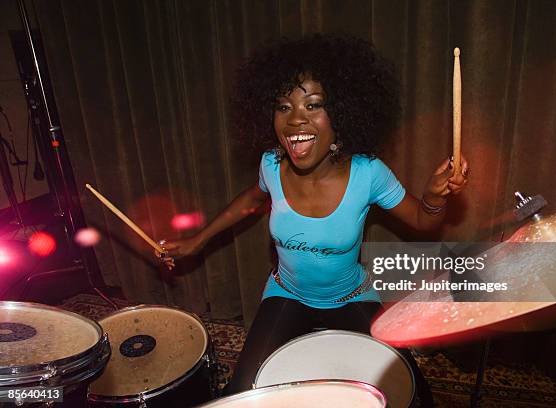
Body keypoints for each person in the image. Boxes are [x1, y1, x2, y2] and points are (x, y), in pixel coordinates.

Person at [156, 34, 468, 404]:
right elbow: (250, 200)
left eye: (313, 105)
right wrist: (197, 240)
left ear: (342, 114)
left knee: (414, 397)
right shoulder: (271, 164)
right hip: (286, 294)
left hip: (352, 297)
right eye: (283, 107)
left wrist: (433, 198)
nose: (295, 120)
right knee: (243, 393)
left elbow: (423, 221)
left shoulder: (368, 174)